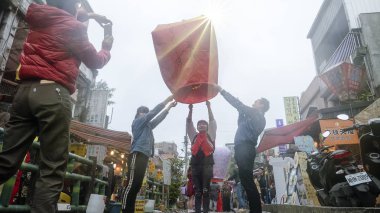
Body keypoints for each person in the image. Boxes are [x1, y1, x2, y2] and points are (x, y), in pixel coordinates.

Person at [0, 0, 113, 212]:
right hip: (53, 94)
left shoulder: (39, 17)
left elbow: (65, 14)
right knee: (52, 168)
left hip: (24, 92)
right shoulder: (74, 27)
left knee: (6, 160)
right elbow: (95, 61)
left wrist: (90, 16)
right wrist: (106, 48)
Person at [217, 86, 270, 213]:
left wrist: (222, 91)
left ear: (261, 106)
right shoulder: (253, 117)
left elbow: (238, 104)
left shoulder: (258, 115)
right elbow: (240, 124)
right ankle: (255, 209)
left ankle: (256, 210)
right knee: (246, 181)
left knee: (247, 181)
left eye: (256, 101)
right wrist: (240, 111)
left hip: (246, 148)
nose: (253, 103)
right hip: (242, 148)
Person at [121, 96, 176, 213]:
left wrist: (169, 107)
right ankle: (125, 209)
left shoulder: (148, 126)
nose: (145, 114)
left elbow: (158, 118)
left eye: (146, 112)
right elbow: (153, 113)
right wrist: (167, 100)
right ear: (138, 114)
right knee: (131, 183)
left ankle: (130, 209)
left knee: (137, 184)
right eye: (143, 112)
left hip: (144, 156)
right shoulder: (137, 122)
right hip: (137, 154)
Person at [187, 101, 217, 213]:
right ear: (197, 127)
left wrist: (209, 106)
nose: (201, 125)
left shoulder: (211, 134)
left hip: (207, 165)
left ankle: (205, 211)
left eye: (204, 124)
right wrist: (190, 110)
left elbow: (212, 121)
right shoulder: (194, 136)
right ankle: (197, 211)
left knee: (205, 190)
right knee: (198, 191)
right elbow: (189, 123)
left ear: (207, 126)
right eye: (199, 124)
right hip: (195, 166)